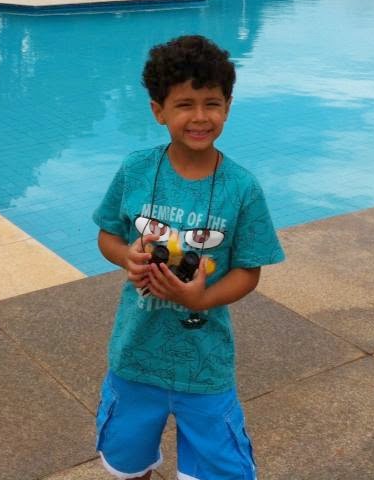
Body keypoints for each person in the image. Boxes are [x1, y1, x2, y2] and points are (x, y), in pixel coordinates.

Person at [93, 35, 285, 480]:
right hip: (135, 354)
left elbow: (248, 270)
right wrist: (127, 258)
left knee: (220, 469)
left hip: (204, 364)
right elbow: (108, 236)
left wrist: (201, 300)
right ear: (158, 110)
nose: (200, 117)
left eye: (212, 103)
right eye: (184, 104)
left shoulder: (241, 187)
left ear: (228, 106)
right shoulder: (135, 170)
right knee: (126, 460)